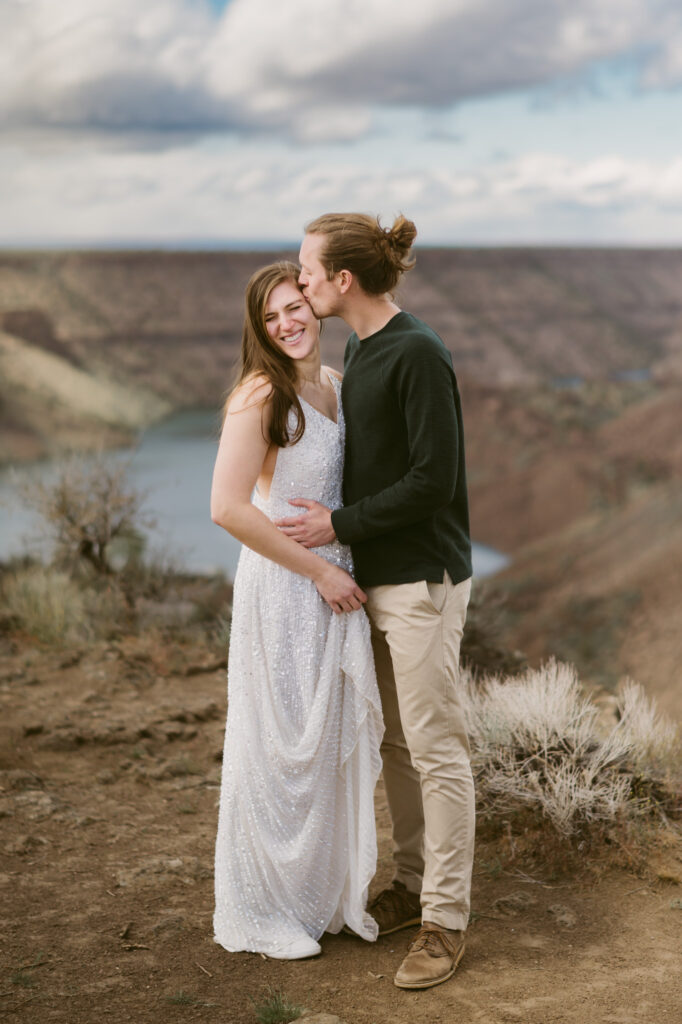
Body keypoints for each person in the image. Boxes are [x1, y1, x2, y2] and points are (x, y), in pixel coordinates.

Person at [276, 214, 475, 990]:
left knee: (437, 749)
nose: (300, 283)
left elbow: (435, 479)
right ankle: (415, 883)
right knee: (397, 744)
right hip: (375, 579)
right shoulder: (360, 347)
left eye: (307, 272)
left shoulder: (418, 353)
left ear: (342, 281)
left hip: (420, 580)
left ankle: (446, 922)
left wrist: (338, 525)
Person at [211, 261, 383, 961]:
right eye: (272, 316)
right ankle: (263, 908)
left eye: (295, 306)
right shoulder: (260, 395)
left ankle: (314, 899)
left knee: (319, 749)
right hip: (286, 589)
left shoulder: (336, 386)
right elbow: (226, 508)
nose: (288, 323)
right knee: (277, 741)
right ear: (260, 329)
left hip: (331, 585)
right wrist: (317, 571)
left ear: (316, 304)